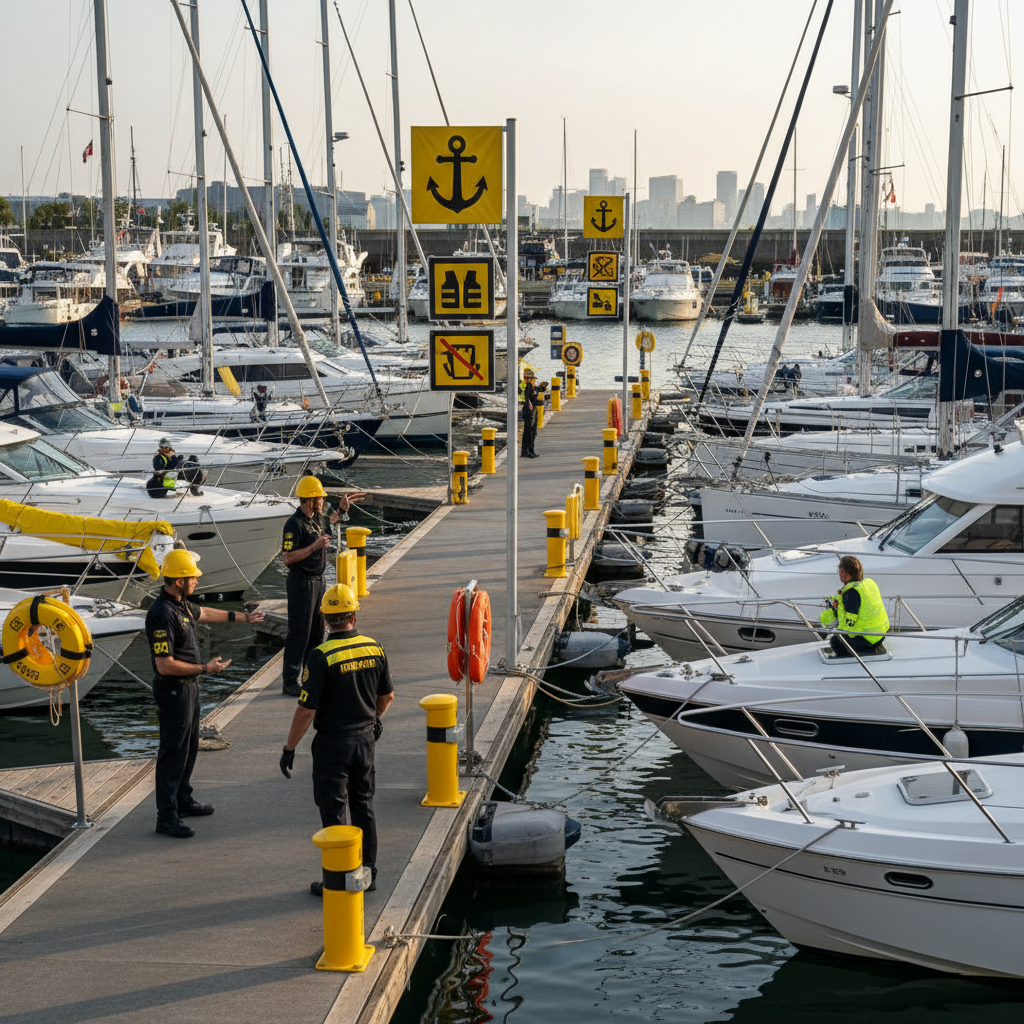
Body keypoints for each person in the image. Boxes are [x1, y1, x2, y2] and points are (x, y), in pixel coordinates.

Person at [279, 583, 394, 895]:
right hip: (365, 740)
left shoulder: (320, 656)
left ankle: (340, 876)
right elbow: (387, 696)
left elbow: (306, 710)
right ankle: (367, 872)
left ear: (326, 620)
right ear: (353, 615)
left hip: (333, 743)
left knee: (333, 808)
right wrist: (373, 719)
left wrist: (290, 748)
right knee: (364, 806)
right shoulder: (375, 648)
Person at [146, 548, 265, 838]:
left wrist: (242, 618)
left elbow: (206, 613)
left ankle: (183, 800)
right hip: (174, 690)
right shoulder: (162, 613)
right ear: (177, 581)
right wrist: (204, 669)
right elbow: (164, 665)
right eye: (192, 578)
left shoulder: (181, 603)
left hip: (189, 689)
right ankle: (167, 815)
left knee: (189, 747)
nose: (197, 581)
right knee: (173, 752)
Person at [281, 476, 364, 697]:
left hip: (318, 580)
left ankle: (310, 675)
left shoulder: (318, 518)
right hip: (301, 581)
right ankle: (290, 680)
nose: (322, 502)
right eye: (319, 498)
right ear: (310, 499)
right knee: (300, 631)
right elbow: (287, 558)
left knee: (317, 631)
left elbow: (334, 519)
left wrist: (343, 510)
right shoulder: (294, 524)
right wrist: (313, 546)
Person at [819, 554, 890, 657]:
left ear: (843, 572)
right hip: (880, 635)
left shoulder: (851, 593)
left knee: (835, 641)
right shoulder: (869, 584)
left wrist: (836, 612)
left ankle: (851, 661)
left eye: (840, 571)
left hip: (868, 640)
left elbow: (849, 624)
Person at [521, 368, 539, 459]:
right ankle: (526, 450)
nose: (534, 381)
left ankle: (530, 450)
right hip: (529, 411)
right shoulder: (528, 386)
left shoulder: (532, 387)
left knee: (532, 431)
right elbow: (529, 399)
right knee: (529, 431)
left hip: (531, 410)